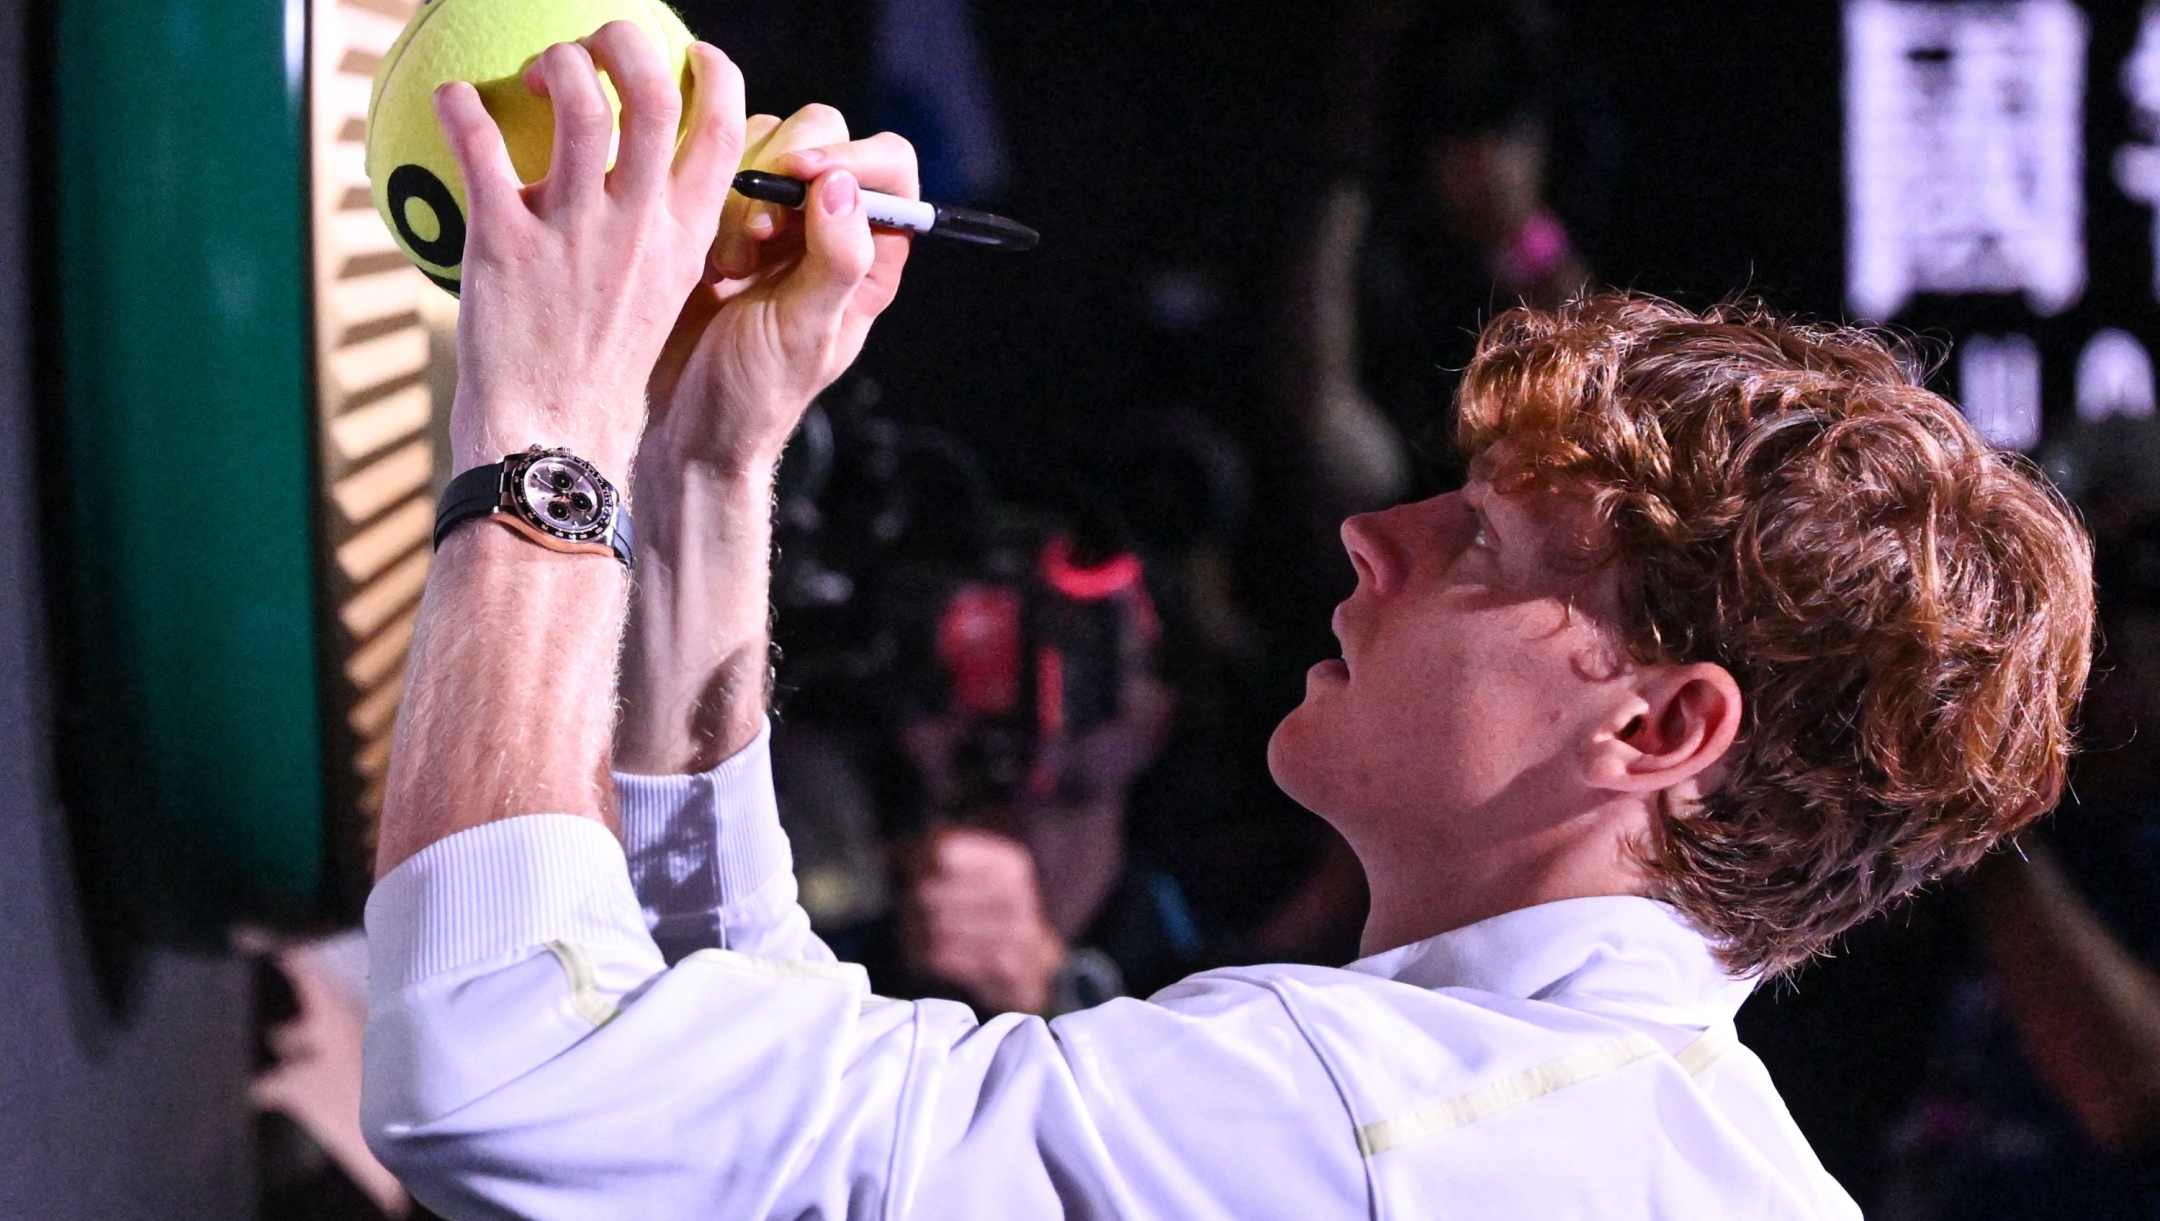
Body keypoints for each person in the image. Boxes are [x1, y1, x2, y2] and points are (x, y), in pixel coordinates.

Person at [360, 24, 2095, 1219]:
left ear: (1657, 730)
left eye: (1482, 544)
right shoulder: (1612, 1134)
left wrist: (551, 403)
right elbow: (744, 1087)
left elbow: (507, 1072)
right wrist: (707, 467)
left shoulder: (1376, 1126)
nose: (1366, 539)